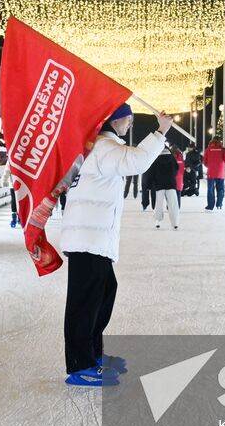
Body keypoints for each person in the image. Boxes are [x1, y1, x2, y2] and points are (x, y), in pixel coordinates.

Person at [60, 103, 171, 387]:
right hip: (89, 237)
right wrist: (160, 132)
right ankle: (80, 364)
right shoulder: (104, 146)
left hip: (92, 236)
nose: (130, 124)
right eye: (128, 119)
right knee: (85, 302)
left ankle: (93, 354)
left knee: (104, 291)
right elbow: (136, 161)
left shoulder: (99, 146)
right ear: (114, 121)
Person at [146, 144, 180, 229]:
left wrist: (149, 184)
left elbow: (151, 172)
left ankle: (157, 222)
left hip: (159, 184)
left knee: (159, 204)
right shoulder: (172, 158)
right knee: (173, 204)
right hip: (171, 184)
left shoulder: (156, 158)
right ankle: (174, 223)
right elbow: (176, 169)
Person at [203, 138, 225, 210]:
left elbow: (204, 161)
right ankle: (219, 204)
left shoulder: (208, 149)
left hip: (211, 171)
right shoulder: (223, 149)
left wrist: (209, 166)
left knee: (210, 189)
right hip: (221, 172)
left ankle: (210, 206)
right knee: (220, 189)